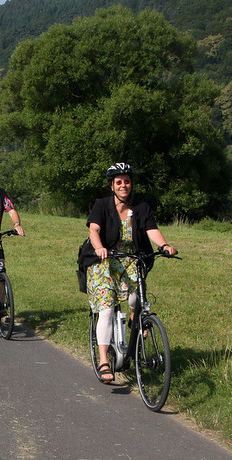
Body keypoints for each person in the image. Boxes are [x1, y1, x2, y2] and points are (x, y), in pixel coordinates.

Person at [83, 162, 177, 382]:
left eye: (126, 181)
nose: (123, 185)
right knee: (106, 310)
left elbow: (151, 229)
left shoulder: (141, 207)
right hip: (103, 262)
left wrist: (164, 246)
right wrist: (99, 247)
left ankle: (136, 318)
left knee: (138, 298)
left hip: (131, 260)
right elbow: (94, 229)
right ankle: (104, 359)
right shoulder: (102, 205)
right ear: (112, 186)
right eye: (119, 182)